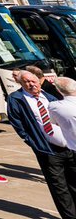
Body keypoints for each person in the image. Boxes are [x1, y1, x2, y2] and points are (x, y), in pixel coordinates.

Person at [8, 68, 76, 218]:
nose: (31, 84)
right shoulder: (16, 99)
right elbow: (17, 123)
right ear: (20, 83)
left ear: (39, 81)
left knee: (74, 182)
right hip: (47, 149)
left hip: (68, 147)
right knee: (59, 187)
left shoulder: (50, 97)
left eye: (33, 81)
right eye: (26, 82)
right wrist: (32, 142)